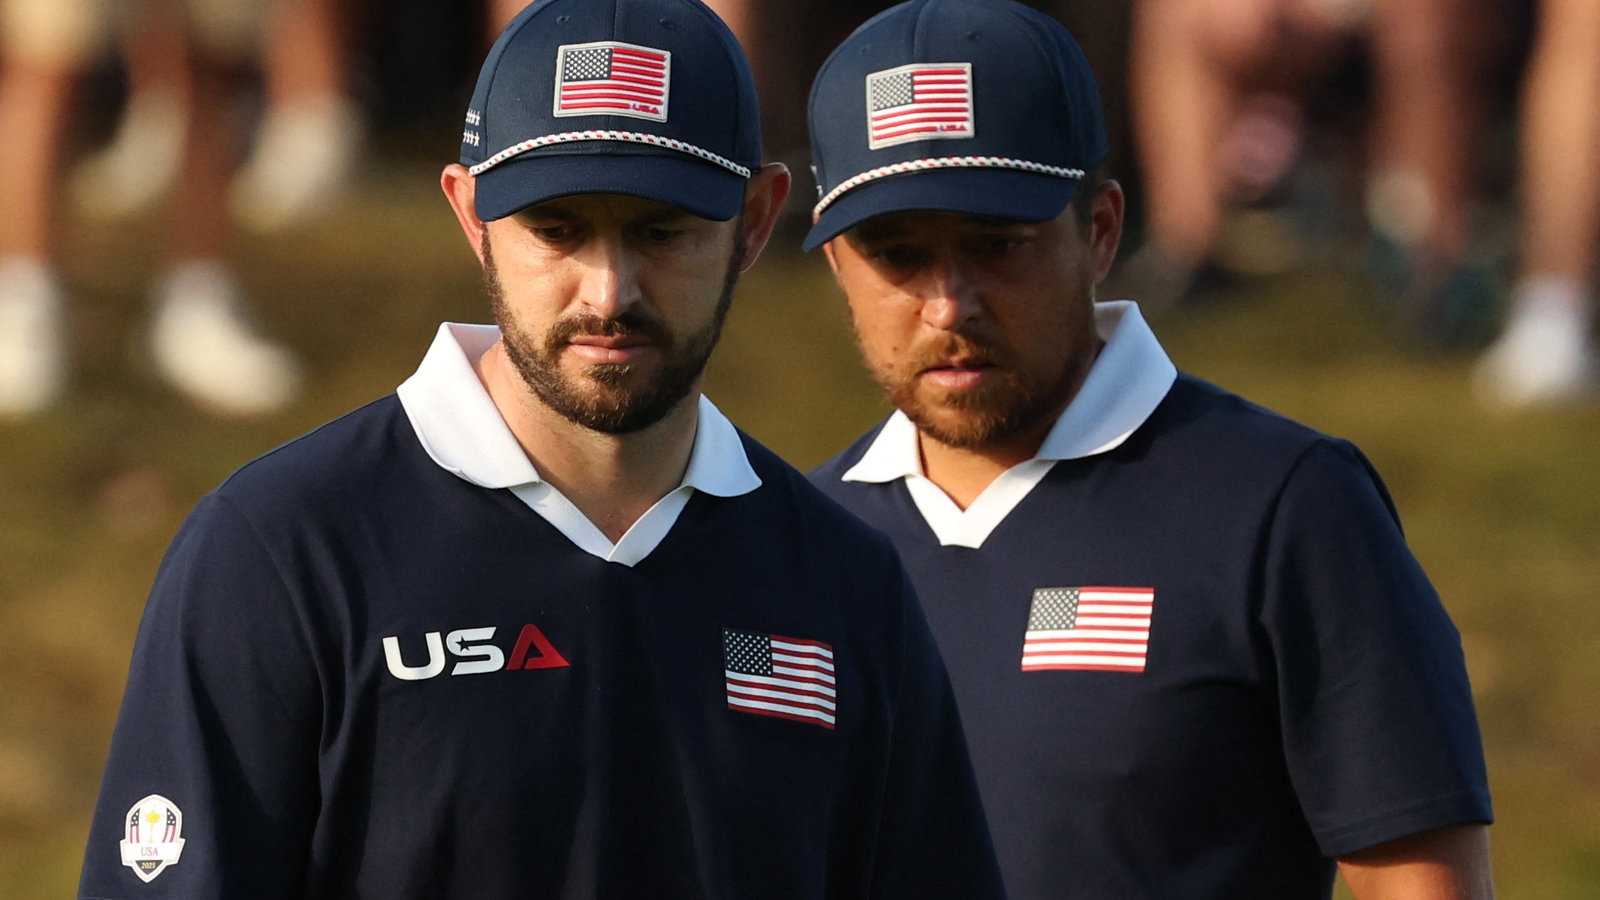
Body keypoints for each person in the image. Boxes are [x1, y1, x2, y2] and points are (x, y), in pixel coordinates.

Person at [76, 0, 1004, 896]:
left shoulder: (843, 584)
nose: (607, 292)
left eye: (661, 232)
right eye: (557, 230)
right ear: (471, 212)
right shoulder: (282, 550)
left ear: (757, 221)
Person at [802, 1, 1494, 897]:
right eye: (897, 254)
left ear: (1100, 230)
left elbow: (1421, 883)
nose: (949, 305)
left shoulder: (1287, 506)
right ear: (835, 264)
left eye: (996, 245)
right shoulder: (797, 543)